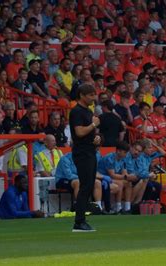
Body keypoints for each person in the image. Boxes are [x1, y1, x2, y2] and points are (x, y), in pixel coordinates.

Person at [69, 83, 101, 232]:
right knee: (85, 185)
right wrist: (93, 126)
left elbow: (88, 133)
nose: (93, 98)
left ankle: (81, 219)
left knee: (88, 185)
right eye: (90, 95)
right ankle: (79, 221)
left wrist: (97, 138)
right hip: (82, 153)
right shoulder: (76, 111)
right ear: (82, 95)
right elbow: (80, 132)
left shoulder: (87, 111)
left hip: (90, 150)